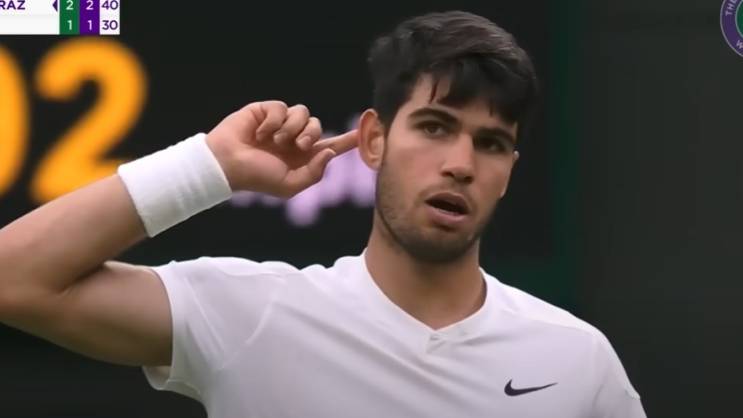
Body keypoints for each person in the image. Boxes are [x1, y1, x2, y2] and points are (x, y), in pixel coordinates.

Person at [0, 10, 646, 418]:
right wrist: (211, 166)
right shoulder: (250, 314)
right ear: (373, 141)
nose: (460, 163)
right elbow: (13, 279)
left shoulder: (576, 359)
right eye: (434, 126)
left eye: (491, 143)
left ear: (508, 171)